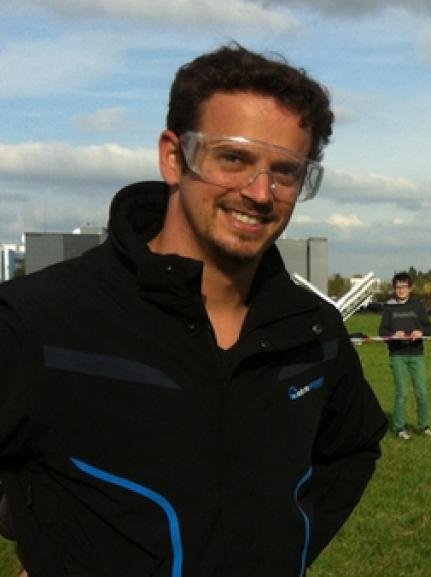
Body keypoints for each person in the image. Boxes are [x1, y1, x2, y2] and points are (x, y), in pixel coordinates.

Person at [0, 44, 388, 576]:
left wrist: (284, 548)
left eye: (286, 171)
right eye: (233, 158)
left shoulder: (311, 330)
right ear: (173, 157)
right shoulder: (42, 320)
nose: (259, 192)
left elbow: (354, 446)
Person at [378, 272, 431, 439]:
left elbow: (429, 328)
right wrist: (393, 335)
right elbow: (382, 331)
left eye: (404, 286)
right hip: (398, 356)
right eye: (398, 287)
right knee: (401, 393)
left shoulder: (417, 306)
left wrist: (421, 332)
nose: (401, 290)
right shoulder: (389, 307)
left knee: (422, 392)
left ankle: (424, 426)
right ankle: (399, 427)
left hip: (417, 355)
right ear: (394, 288)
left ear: (410, 288)